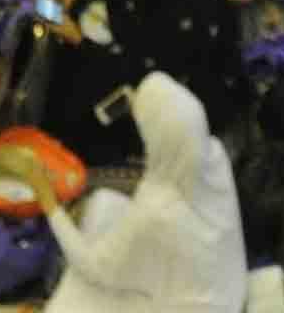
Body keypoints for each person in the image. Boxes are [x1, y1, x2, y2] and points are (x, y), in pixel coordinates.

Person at [38, 73, 245, 313]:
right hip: (226, 286)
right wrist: (141, 104)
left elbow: (94, 269)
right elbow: (172, 127)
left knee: (72, 300)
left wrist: (48, 203)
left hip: (189, 306)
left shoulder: (156, 211)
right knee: (106, 203)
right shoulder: (213, 154)